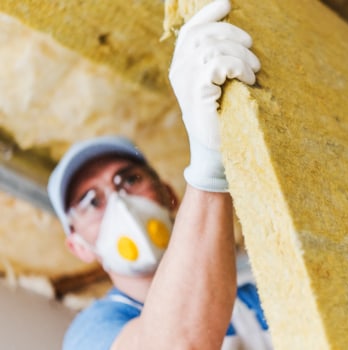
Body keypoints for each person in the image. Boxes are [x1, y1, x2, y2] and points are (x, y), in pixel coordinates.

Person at [47, 1, 272, 349]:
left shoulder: (254, 304)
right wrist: (210, 167)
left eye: (130, 179)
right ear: (79, 247)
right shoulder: (91, 332)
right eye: (91, 201)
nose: (119, 202)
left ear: (169, 195)